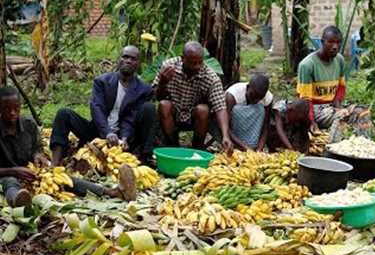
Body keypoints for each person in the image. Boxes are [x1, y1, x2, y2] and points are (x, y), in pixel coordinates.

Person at [0, 88, 136, 207]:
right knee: (10, 182)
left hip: (32, 172)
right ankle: (18, 201)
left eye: (16, 108)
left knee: (63, 178)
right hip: (7, 174)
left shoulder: (28, 124)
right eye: (7, 109)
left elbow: (37, 148)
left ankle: (113, 192)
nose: (12, 113)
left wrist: (38, 156)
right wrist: (14, 171)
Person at [50, 45, 156, 166]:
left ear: (138, 64)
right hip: (98, 130)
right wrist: (107, 132)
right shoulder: (102, 81)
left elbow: (131, 117)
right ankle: (55, 162)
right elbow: (97, 108)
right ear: (119, 59)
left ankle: (145, 157)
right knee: (64, 114)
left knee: (149, 108)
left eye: (133, 59)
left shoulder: (144, 89)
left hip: (124, 137)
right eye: (125, 57)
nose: (128, 61)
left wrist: (124, 137)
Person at [154, 41, 233, 153]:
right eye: (192, 63)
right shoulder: (169, 67)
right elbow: (157, 97)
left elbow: (220, 107)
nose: (197, 66)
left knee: (203, 110)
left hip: (194, 117)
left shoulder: (210, 77)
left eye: (200, 62)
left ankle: (197, 149)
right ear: (183, 59)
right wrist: (163, 82)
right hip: (173, 113)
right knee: (164, 105)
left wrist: (225, 136)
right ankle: (173, 147)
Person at [297, 25, 346, 129]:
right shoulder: (307, 65)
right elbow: (305, 100)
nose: (335, 46)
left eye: (338, 42)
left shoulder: (340, 60)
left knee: (362, 113)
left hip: (333, 107)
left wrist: (338, 106)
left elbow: (341, 87)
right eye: (331, 42)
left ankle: (362, 144)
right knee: (341, 118)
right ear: (322, 42)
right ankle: (335, 144)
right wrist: (311, 121)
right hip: (315, 109)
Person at [224, 75, 273, 151]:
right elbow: (225, 126)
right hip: (233, 132)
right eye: (252, 95)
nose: (255, 100)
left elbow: (265, 126)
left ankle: (251, 145)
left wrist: (260, 148)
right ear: (248, 87)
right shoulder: (232, 95)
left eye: (259, 98)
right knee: (236, 109)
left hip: (252, 133)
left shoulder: (267, 98)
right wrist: (245, 147)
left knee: (260, 108)